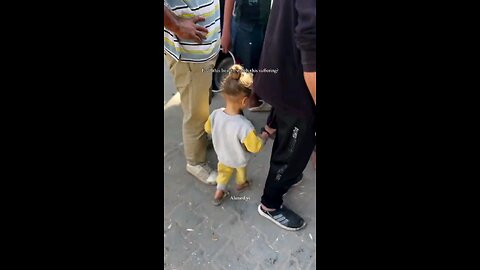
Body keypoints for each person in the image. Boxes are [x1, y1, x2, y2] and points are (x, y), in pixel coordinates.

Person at [254, 0, 317, 231]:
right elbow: (312, 53)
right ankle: (270, 204)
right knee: (292, 150)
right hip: (298, 88)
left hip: (285, 71)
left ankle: (287, 176)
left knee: (290, 143)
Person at [164, 1, 221, 185]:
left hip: (204, 47)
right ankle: (195, 162)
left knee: (203, 102)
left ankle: (201, 139)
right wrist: (176, 25)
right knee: (196, 111)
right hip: (189, 52)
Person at [204, 65, 268, 205]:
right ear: (244, 101)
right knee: (241, 170)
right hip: (238, 158)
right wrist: (264, 136)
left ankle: (219, 192)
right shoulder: (245, 126)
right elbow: (255, 147)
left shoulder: (215, 114)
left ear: (223, 93)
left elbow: (207, 129)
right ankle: (241, 183)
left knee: (223, 173)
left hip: (222, 156)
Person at [221, 0, 272, 112]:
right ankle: (237, 108)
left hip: (263, 20)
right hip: (244, 24)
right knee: (243, 71)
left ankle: (253, 98)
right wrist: (226, 30)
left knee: (256, 64)